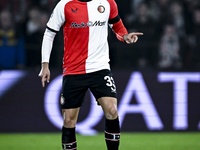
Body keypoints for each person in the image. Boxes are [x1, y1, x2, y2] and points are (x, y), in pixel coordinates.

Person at [38, 0, 143, 150]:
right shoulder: (65, 4)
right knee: (69, 120)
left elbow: (117, 26)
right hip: (73, 70)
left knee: (112, 111)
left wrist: (125, 37)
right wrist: (45, 65)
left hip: (100, 68)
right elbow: (49, 33)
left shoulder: (108, 2)